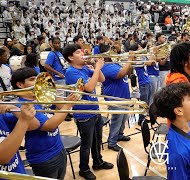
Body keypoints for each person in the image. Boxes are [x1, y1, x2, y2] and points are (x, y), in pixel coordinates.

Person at [9, 67, 78, 179]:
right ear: (20, 85)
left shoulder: (39, 98)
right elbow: (49, 126)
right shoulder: (21, 106)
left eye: (37, 79)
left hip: (58, 148)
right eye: (32, 79)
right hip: (43, 157)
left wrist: (51, 92)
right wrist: (67, 105)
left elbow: (62, 107)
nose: (37, 82)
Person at [63, 44, 113, 180]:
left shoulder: (84, 68)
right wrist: (97, 68)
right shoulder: (71, 72)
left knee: (97, 140)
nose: (83, 54)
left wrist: (96, 66)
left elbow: (102, 79)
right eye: (79, 53)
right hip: (83, 113)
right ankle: (83, 169)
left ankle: (98, 162)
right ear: (70, 57)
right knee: (87, 144)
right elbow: (90, 88)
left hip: (94, 110)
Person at [100, 50, 133, 152]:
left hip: (124, 96)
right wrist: (130, 59)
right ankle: (112, 142)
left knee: (123, 119)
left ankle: (119, 135)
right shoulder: (105, 67)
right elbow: (121, 74)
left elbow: (128, 73)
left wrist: (131, 62)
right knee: (117, 121)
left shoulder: (115, 63)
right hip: (115, 98)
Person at [0, 104, 36, 174]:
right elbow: (3, 158)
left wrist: (13, 108)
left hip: (19, 173)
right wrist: (24, 120)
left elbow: (34, 125)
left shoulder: (2, 116)